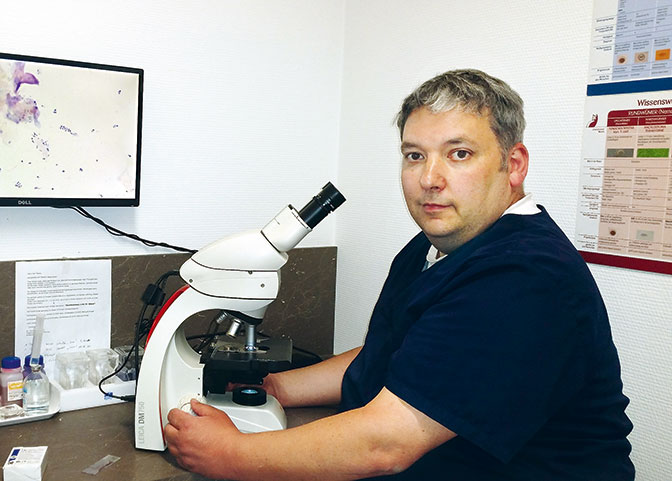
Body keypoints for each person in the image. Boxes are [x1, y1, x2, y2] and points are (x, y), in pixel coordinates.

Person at [164, 69, 635, 480]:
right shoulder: (435, 247)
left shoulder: (524, 276)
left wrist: (231, 454)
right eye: (414, 155)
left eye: (459, 154)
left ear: (513, 165)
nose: (429, 177)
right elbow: (395, 355)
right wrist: (278, 388)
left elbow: (386, 444)